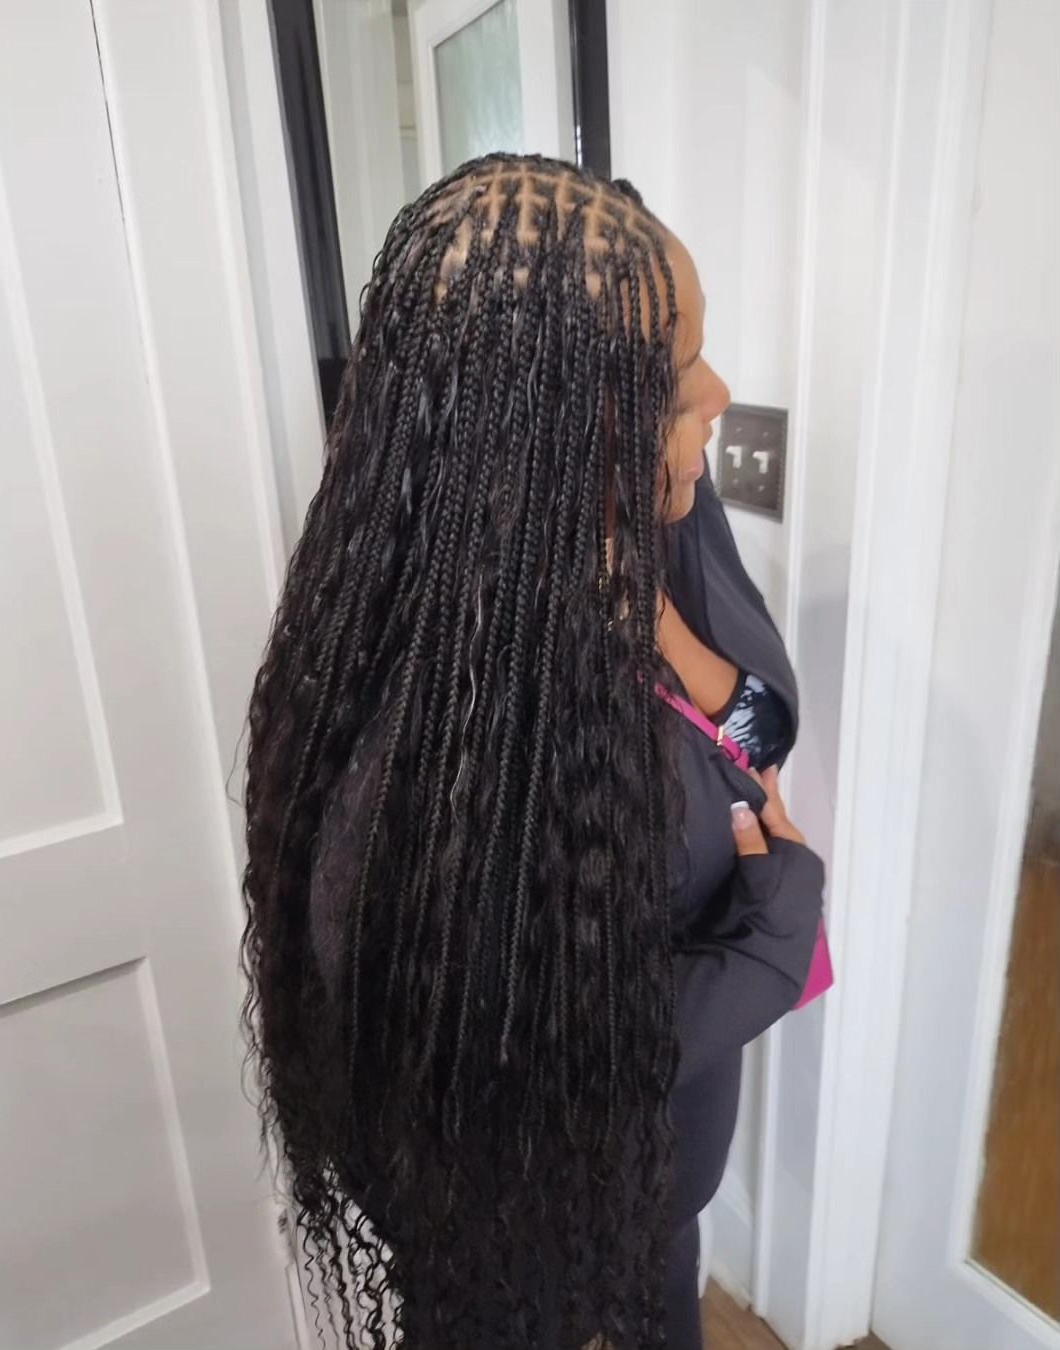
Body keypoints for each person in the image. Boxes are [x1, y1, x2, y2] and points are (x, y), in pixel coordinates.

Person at [241, 152, 825, 1350]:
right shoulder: (424, 723)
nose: (717, 393)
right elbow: (520, 1077)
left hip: (657, 1203)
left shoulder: (663, 518)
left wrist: (663, 633)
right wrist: (775, 941)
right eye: (674, 377)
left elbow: (762, 723)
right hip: (520, 1252)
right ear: (557, 421)